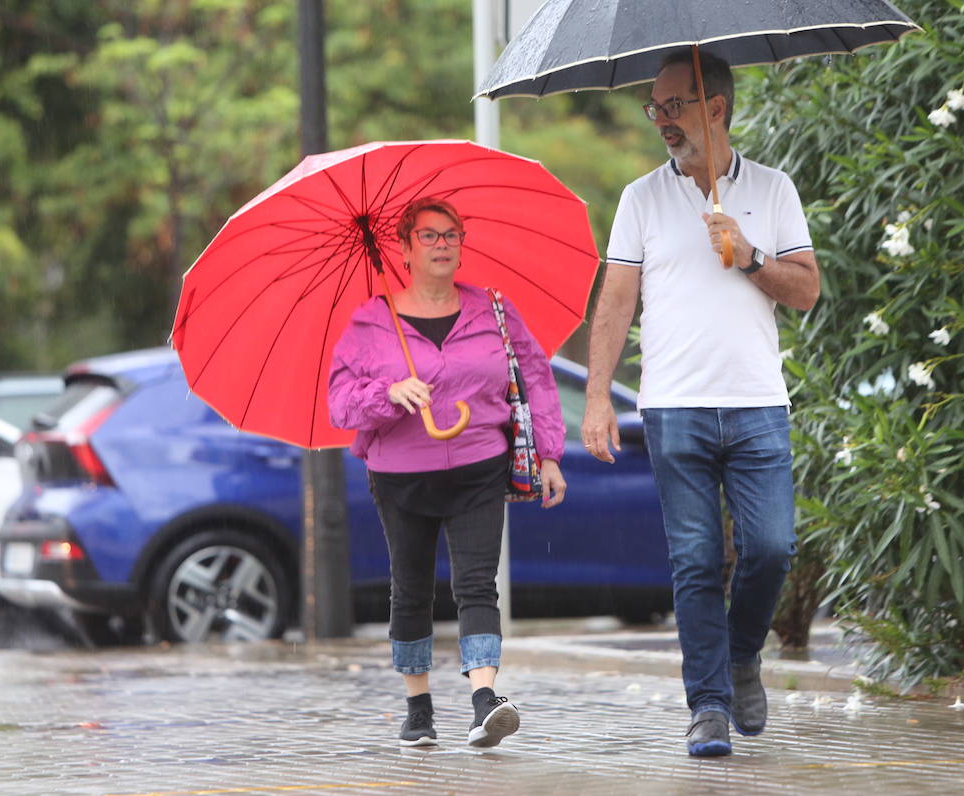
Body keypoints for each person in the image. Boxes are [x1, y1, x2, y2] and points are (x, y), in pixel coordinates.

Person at [581, 50, 821, 758]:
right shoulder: (641, 199)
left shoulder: (774, 191)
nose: (660, 120)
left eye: (673, 106)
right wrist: (597, 396)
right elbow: (616, 300)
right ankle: (708, 706)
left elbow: (806, 289)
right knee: (693, 561)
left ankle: (742, 655)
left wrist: (749, 256)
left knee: (772, 547)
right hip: (674, 407)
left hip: (756, 404)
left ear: (715, 107)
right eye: (654, 108)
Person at [328, 197, 568, 749]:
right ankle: (418, 707)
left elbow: (534, 377)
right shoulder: (371, 321)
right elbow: (340, 404)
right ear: (405, 248)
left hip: (479, 465)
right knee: (411, 590)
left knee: (476, 583)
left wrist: (549, 453)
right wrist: (387, 393)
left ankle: (485, 699)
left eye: (451, 235)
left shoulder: (494, 310)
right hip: (400, 475)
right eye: (429, 236)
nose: (442, 245)